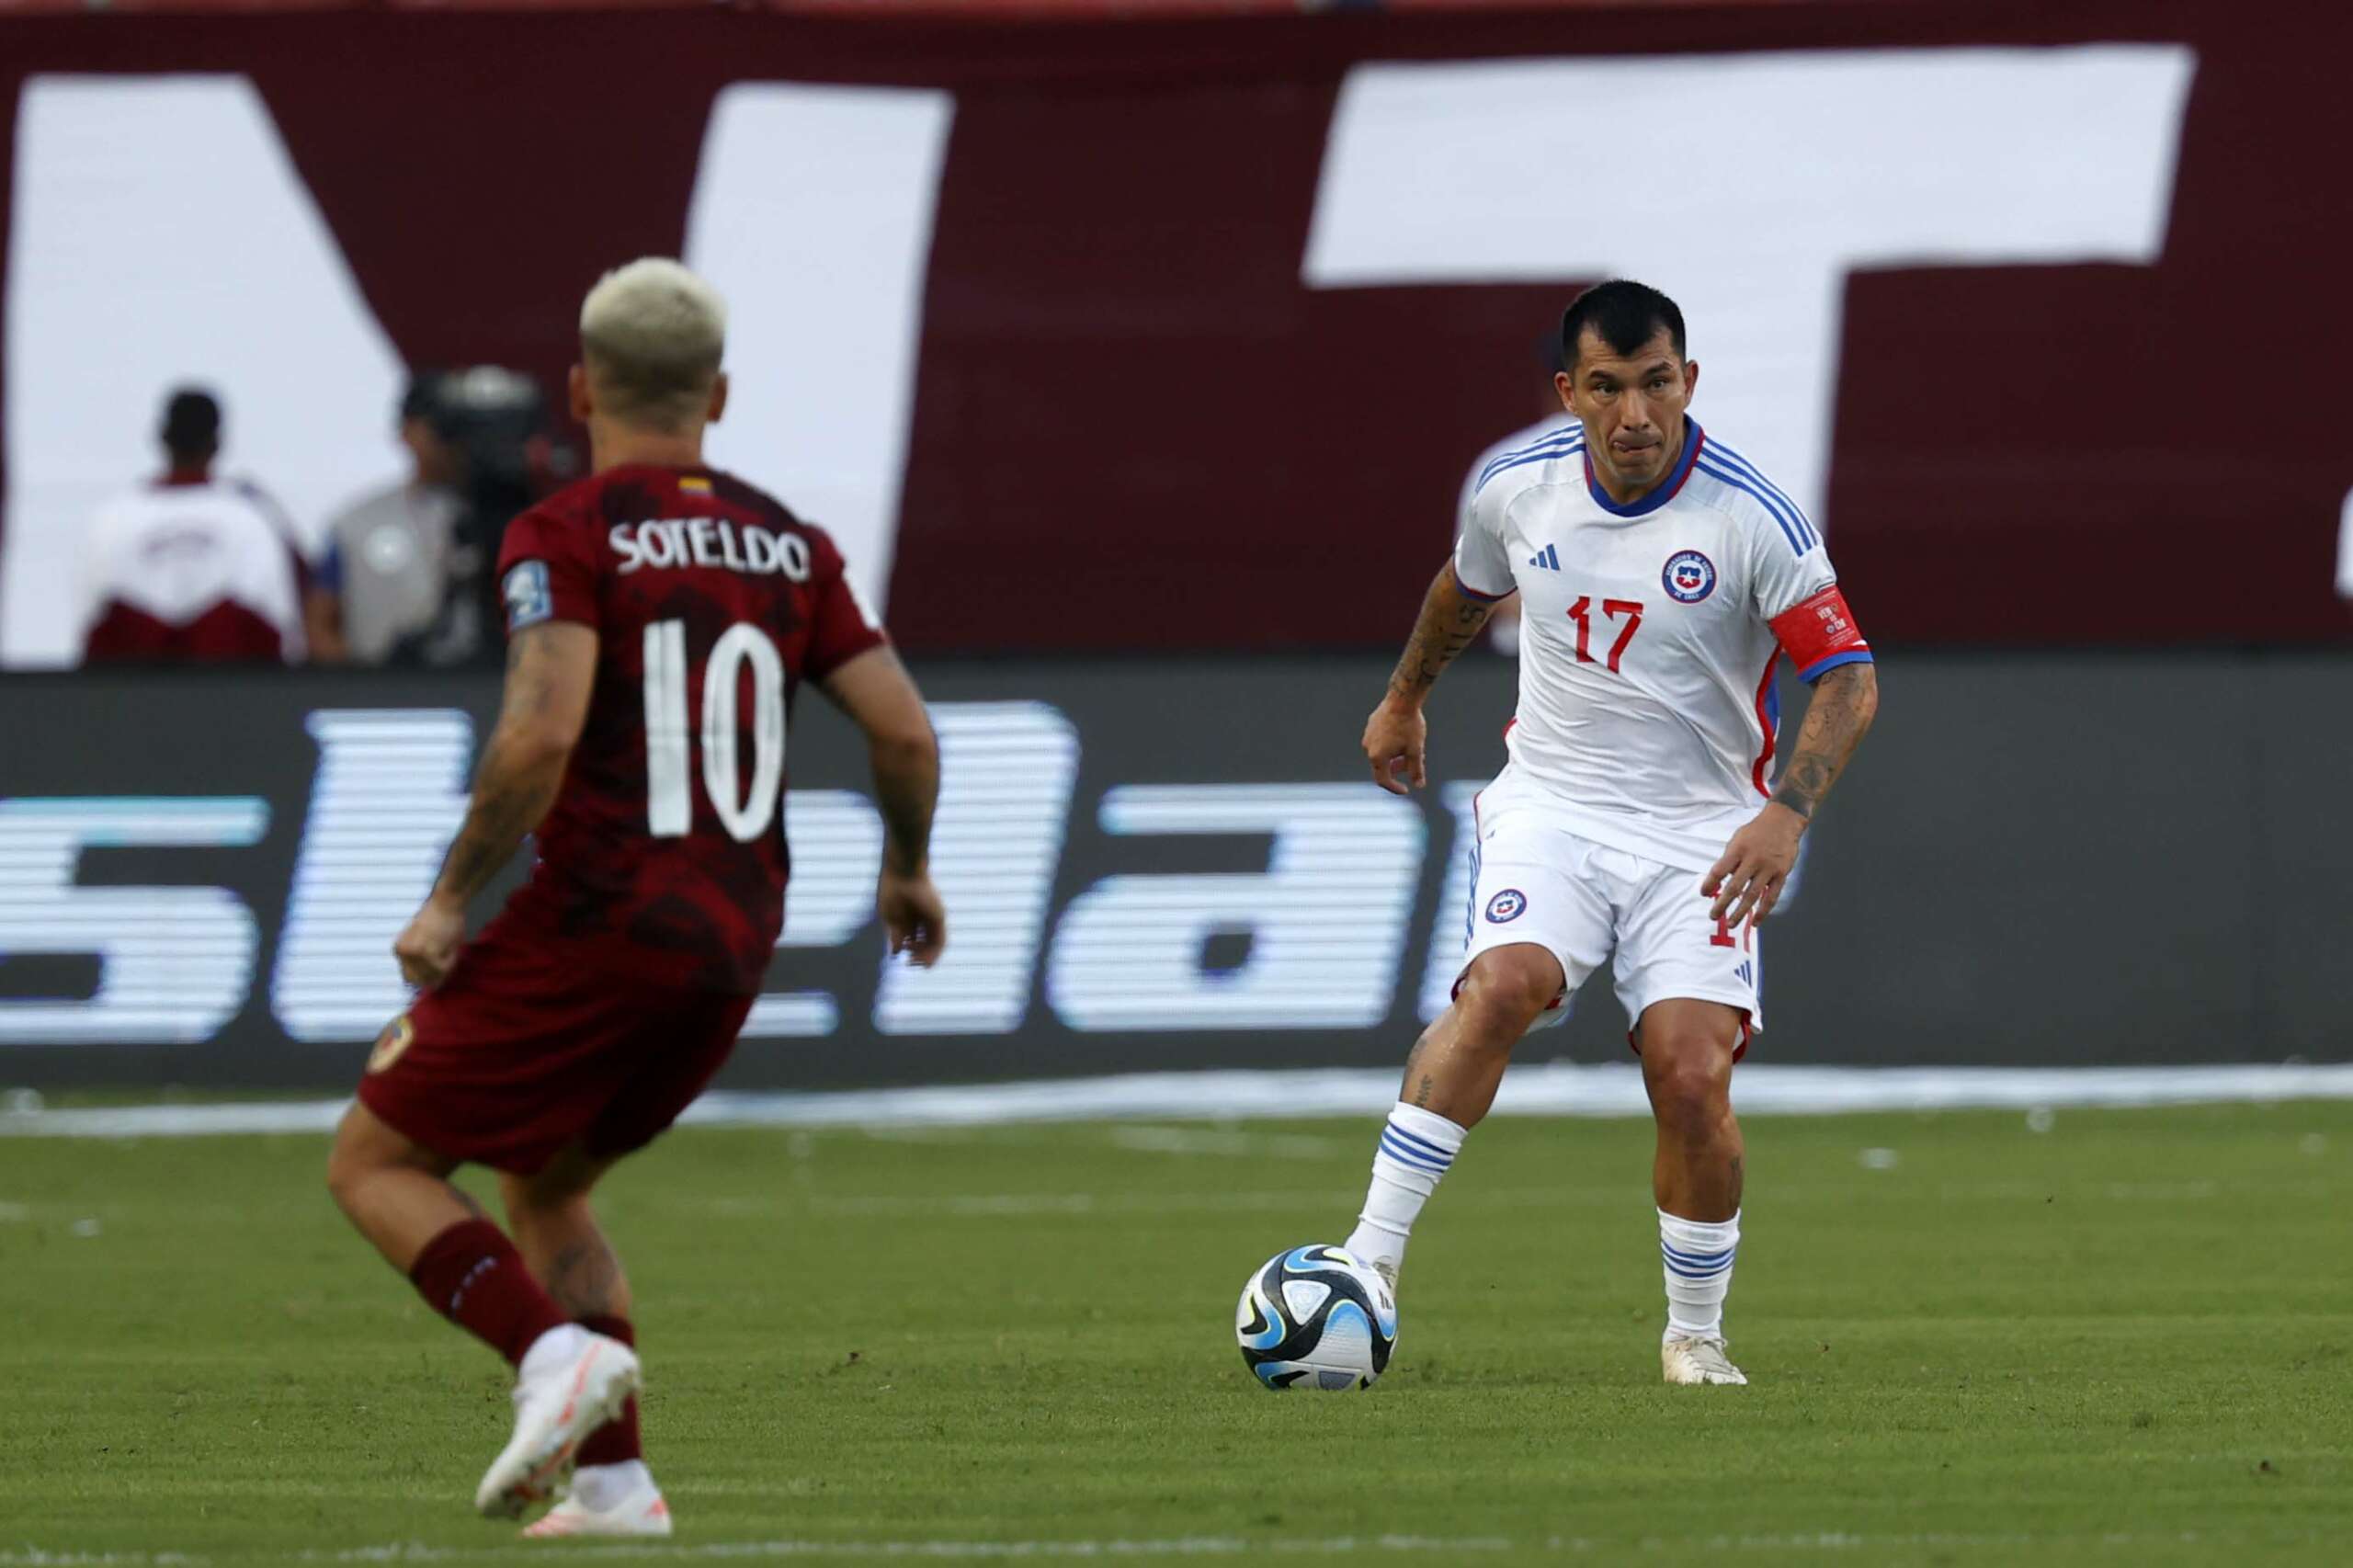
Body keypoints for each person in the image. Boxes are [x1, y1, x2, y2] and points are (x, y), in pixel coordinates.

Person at [323, 258, 948, 1534]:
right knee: (548, 1183)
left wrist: (449, 900)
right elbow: (904, 733)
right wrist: (907, 865)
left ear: (578, 387)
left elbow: (540, 736)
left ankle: (552, 1358)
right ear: (717, 394)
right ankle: (613, 1482)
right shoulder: (789, 541)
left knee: (376, 1158)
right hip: (732, 938)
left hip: (600, 916)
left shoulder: (567, 530)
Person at [1349, 280, 1879, 1387]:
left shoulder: (1751, 518)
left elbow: (1846, 673)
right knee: (1499, 987)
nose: (1634, 414)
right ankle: (1368, 1260)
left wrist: (1785, 811)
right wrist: (1404, 698)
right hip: (1554, 803)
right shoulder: (1516, 488)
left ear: (1688, 381)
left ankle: (1694, 1331)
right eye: (1607, 387)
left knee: (1689, 1077)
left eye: (1655, 384)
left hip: (1697, 831)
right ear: (1568, 391)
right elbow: (1463, 588)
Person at [77, 388, 306, 664]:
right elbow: (293, 613)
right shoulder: (253, 515)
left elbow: (94, 631)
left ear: (161, 437)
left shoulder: (113, 520)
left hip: (136, 694)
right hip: (232, 693)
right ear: (217, 441)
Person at [308, 373, 463, 665]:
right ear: (406, 431)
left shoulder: (511, 523)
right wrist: (359, 687)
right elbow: (320, 622)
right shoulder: (356, 523)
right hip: (381, 696)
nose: (448, 440)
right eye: (438, 427)